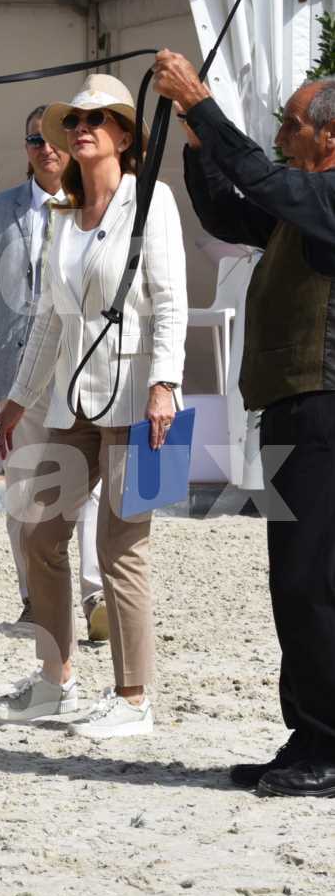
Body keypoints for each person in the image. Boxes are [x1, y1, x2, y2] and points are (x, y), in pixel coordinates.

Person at [154, 48, 335, 796]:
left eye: (290, 125)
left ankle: (327, 745)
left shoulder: (327, 198)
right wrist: (200, 151)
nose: (281, 135)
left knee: (312, 580)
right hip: (293, 405)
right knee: (293, 579)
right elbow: (232, 210)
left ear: (328, 136)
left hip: (324, 405)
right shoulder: (303, 209)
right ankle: (309, 735)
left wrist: (201, 105)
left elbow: (260, 176)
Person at [0, 73, 187, 739]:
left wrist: (166, 383)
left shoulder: (151, 201)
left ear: (124, 136)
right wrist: (19, 396)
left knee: (120, 548)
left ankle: (133, 699)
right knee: (41, 532)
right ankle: (57, 682)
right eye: (73, 118)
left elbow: (169, 301)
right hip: (70, 401)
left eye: (96, 119)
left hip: (135, 397)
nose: (80, 127)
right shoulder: (63, 216)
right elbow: (50, 318)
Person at [0, 107, 105, 634]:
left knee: (85, 485)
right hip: (14, 369)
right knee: (23, 489)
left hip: (83, 365)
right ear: (25, 149)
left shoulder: (97, 203)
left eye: (53, 139)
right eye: (33, 141)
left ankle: (94, 598)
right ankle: (34, 600)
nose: (46, 149)